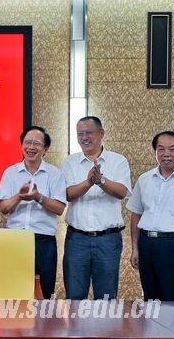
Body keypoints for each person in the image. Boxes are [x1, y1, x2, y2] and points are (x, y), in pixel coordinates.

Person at [62, 116, 132, 300]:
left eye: (89, 133)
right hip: (77, 239)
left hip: (108, 240)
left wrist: (101, 180)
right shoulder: (70, 162)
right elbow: (67, 194)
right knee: (75, 297)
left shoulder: (118, 161)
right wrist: (88, 182)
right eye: (80, 134)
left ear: (101, 134)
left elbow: (122, 192)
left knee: (106, 298)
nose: (84, 137)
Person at [0, 126, 66, 299]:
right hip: (16, 240)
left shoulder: (54, 174)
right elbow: (3, 208)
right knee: (15, 291)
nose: (31, 147)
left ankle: (44, 318)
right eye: (27, 142)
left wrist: (38, 197)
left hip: (44, 241)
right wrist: (19, 196)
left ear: (45, 149)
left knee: (45, 292)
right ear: (21, 145)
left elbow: (59, 208)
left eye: (37, 143)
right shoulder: (10, 172)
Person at [127, 131, 174, 301]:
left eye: (172, 149)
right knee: (150, 300)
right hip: (147, 244)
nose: (166, 154)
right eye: (161, 149)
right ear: (155, 151)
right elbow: (136, 214)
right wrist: (135, 248)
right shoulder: (144, 179)